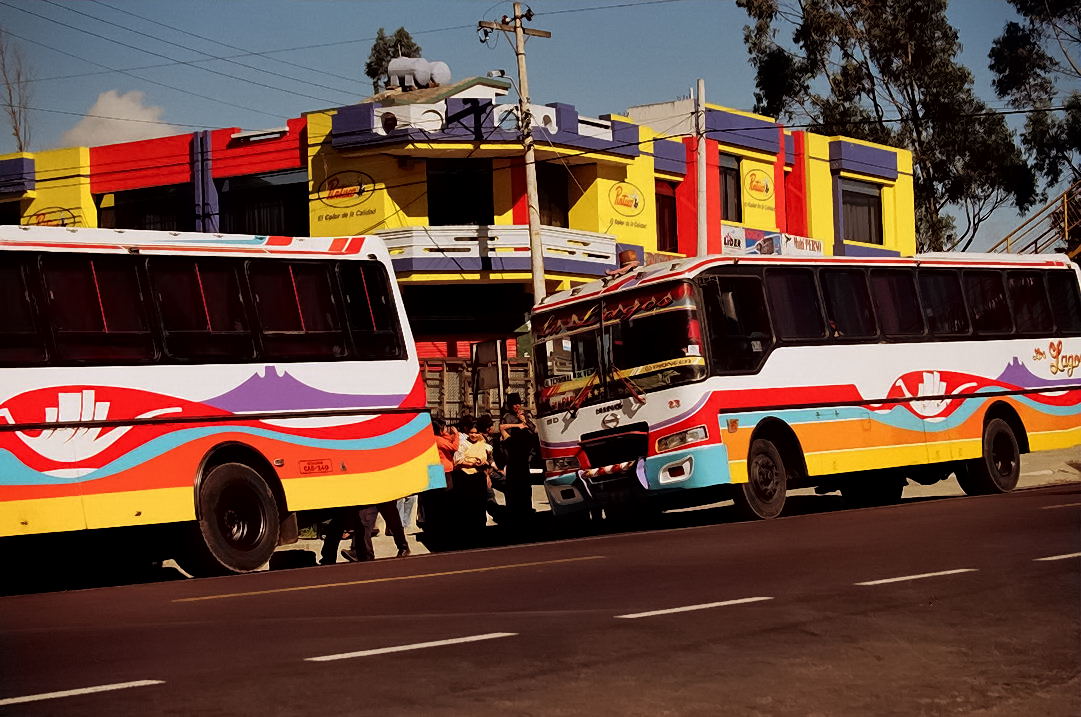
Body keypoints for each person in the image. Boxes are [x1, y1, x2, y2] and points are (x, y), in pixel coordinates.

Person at [452, 420, 494, 538]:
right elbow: (458, 461)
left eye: (476, 433)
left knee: (480, 503)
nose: (474, 435)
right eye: (471, 432)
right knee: (468, 503)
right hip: (466, 477)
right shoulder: (463, 444)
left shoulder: (484, 445)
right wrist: (472, 463)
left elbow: (489, 460)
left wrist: (487, 473)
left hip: (479, 477)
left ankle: (480, 527)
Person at [499, 393, 536, 523]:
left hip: (524, 458)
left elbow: (533, 430)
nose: (517, 406)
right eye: (514, 404)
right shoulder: (507, 418)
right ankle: (514, 513)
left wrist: (524, 420)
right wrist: (518, 425)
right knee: (514, 488)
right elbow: (504, 435)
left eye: (518, 403)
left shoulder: (524, 416)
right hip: (513, 458)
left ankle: (527, 510)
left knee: (526, 488)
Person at [341, 500, 410, 561]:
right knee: (364, 521)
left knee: (392, 520)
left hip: (385, 494)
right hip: (369, 496)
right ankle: (362, 552)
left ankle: (403, 546)